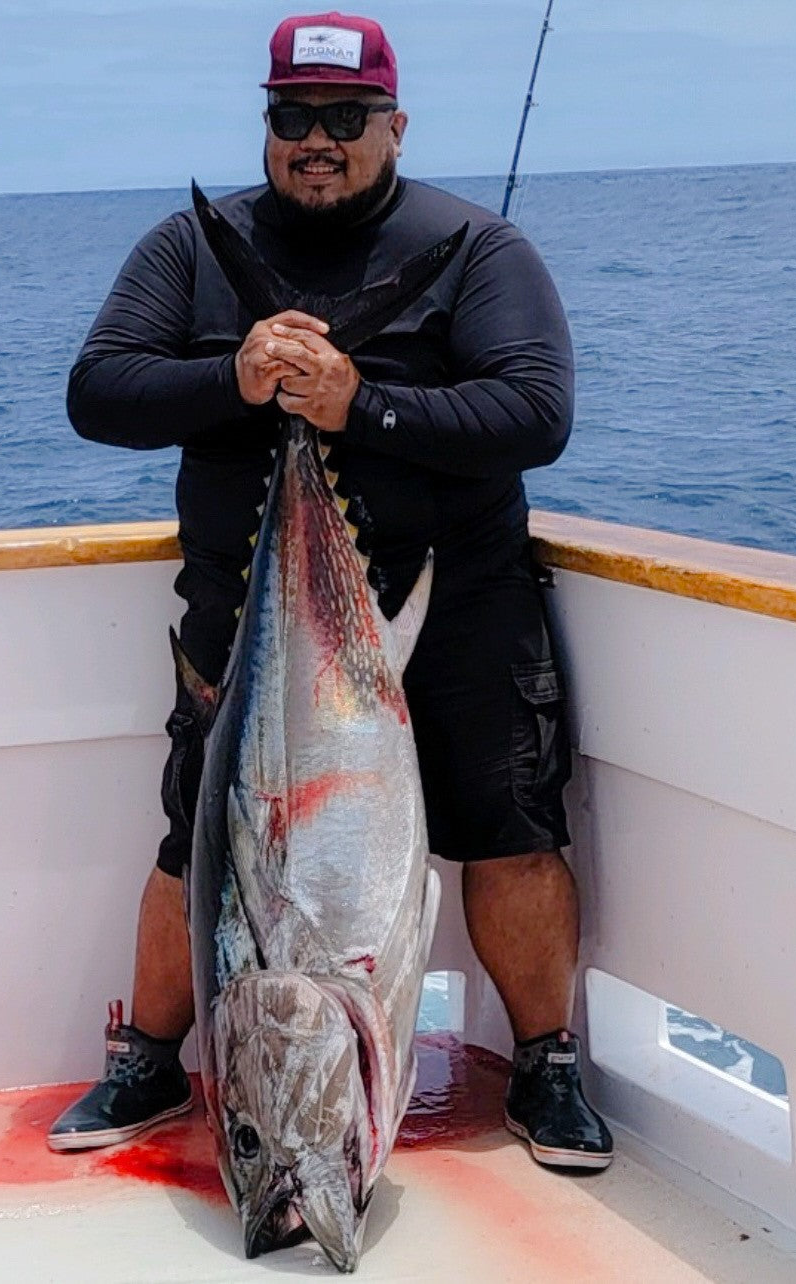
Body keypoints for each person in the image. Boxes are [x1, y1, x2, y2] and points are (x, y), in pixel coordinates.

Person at [54, 10, 612, 1172]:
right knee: (203, 845)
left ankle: (549, 1062)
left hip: (454, 610)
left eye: (346, 118)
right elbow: (100, 391)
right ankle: (154, 1060)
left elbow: (537, 414)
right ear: (267, 126)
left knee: (508, 832)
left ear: (394, 124)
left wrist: (365, 404)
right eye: (294, 118)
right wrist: (238, 374)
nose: (318, 139)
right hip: (251, 621)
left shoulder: (478, 248)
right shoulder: (189, 251)